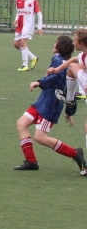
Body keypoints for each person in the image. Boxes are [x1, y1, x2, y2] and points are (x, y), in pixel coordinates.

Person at [13, 36, 87, 174]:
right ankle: (31, 161)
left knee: (40, 137)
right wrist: (70, 112)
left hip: (50, 106)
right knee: (21, 123)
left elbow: (57, 79)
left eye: (56, 43)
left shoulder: (59, 60)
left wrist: (40, 82)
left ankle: (75, 153)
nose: (53, 44)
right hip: (42, 102)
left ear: (60, 47)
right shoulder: (59, 60)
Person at [14, 0, 43, 71]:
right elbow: (18, 12)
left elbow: (39, 14)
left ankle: (24, 65)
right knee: (16, 44)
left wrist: (39, 27)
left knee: (23, 42)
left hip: (28, 25)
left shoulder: (33, 1)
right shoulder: (18, 0)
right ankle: (33, 57)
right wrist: (16, 20)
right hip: (20, 25)